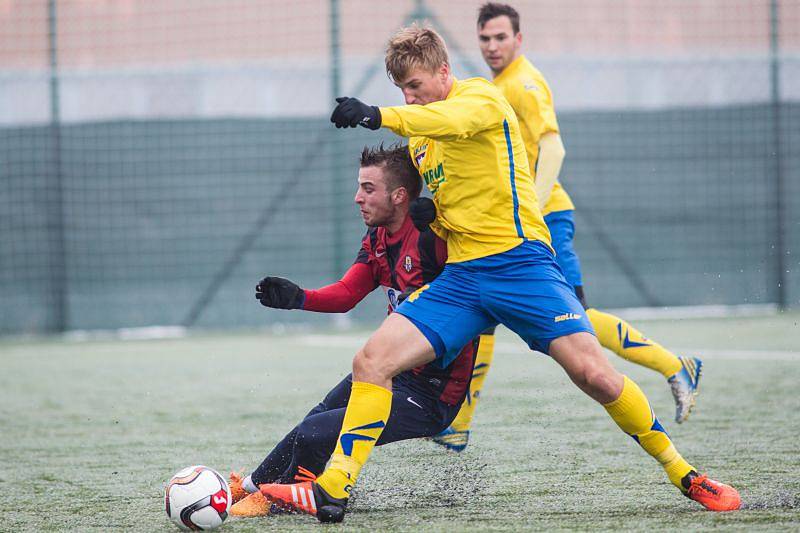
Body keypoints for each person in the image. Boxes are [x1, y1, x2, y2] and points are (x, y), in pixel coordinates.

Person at [258, 25, 740, 523]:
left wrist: (377, 114)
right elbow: (455, 191)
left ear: (444, 72)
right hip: (464, 278)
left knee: (594, 375)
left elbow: (455, 120)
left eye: (417, 86)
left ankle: (685, 473)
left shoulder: (482, 98)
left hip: (521, 265)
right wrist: (435, 218)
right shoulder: (421, 136)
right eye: (402, 91)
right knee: (371, 361)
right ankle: (332, 489)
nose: (410, 98)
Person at [430, 2, 705, 453]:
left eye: (501, 37)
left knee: (573, 319)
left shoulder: (523, 82)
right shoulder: (495, 86)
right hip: (517, 225)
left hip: (542, 219)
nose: (492, 46)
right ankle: (458, 423)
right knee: (488, 317)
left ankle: (673, 362)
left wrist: (531, 211)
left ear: (519, 39)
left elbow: (554, 151)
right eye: (485, 38)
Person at [226, 143, 494, 517]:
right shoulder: (379, 238)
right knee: (313, 418)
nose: (357, 198)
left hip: (431, 395)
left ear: (399, 195)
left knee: (316, 433)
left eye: (368, 188)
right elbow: (349, 292)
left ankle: (278, 500)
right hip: (389, 371)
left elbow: (484, 274)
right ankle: (251, 486)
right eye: (359, 187)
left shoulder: (435, 239)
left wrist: (440, 221)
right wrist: (299, 297)